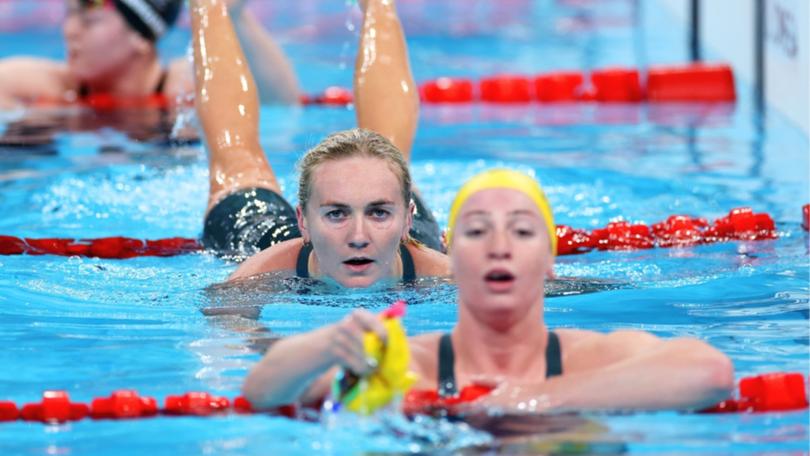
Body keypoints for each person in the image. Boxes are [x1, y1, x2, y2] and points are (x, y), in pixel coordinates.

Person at [241, 169, 735, 414]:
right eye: (478, 232)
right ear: (450, 259)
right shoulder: (413, 366)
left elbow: (710, 371)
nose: (500, 248)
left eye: (521, 232)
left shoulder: (594, 356)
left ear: (550, 261)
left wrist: (530, 398)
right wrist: (323, 344)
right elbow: (265, 394)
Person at [192, 0, 449, 288]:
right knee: (237, 164)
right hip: (285, 244)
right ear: (303, 221)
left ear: (407, 220)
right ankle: (211, 5)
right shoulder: (262, 273)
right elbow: (226, 321)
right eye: (336, 213)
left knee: (384, 167)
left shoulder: (444, 275)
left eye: (379, 213)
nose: (358, 237)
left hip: (393, 245)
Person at [0, 0, 298, 110]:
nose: (70, 31)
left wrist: (234, 17)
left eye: (88, 17)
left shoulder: (184, 86)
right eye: (69, 15)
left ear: (141, 36)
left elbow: (279, 102)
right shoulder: (40, 85)